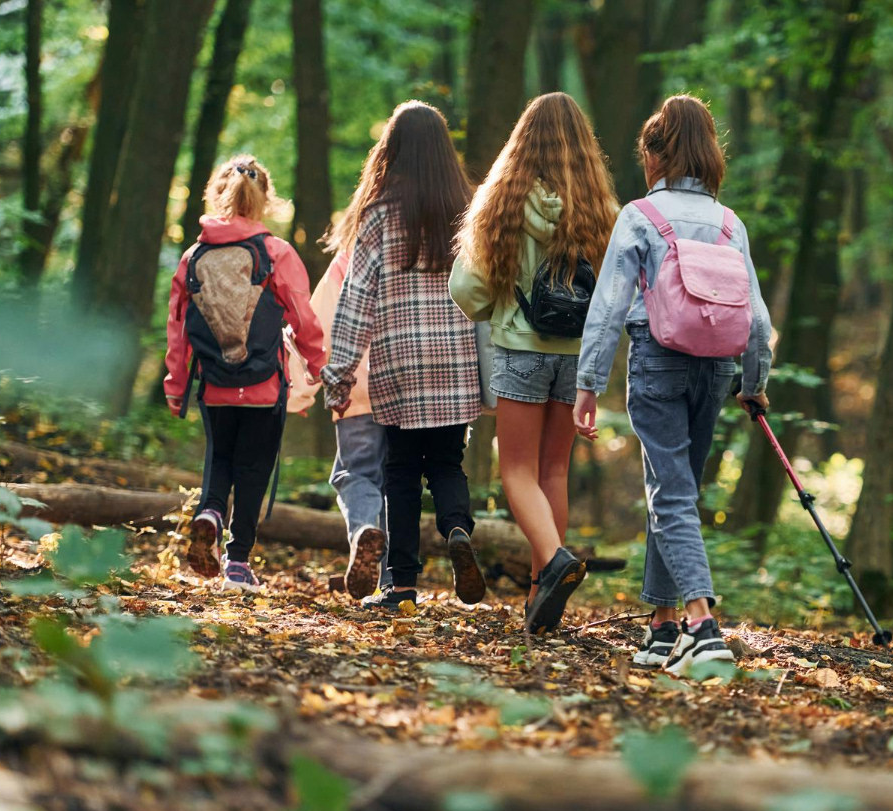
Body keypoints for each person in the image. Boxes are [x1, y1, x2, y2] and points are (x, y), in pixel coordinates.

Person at [574, 94, 772, 674]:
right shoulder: (730, 223)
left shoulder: (639, 217)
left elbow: (608, 308)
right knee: (678, 489)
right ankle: (662, 630)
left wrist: (588, 383)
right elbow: (757, 320)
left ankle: (701, 624)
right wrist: (753, 383)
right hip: (715, 372)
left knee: (671, 493)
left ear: (653, 154)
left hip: (659, 362)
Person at [449, 92, 619, 634]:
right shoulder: (601, 212)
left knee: (515, 471)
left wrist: (503, 298)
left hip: (522, 349)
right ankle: (541, 595)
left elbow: (468, 292)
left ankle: (555, 559)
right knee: (554, 471)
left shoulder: (502, 204)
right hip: (577, 357)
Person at [319, 101, 484, 612]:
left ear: (390, 152)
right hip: (455, 364)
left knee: (401, 475)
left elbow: (355, 301)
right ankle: (457, 530)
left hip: (399, 368)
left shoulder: (378, 216)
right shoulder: (469, 210)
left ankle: (402, 587)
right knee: (448, 465)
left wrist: (339, 373)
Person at [165, 155, 327, 592]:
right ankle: (237, 563)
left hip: (215, 385)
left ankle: (210, 513)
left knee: (220, 458)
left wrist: (176, 387)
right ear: (265, 201)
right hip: (264, 386)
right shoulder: (275, 253)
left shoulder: (193, 257)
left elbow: (178, 329)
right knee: (253, 468)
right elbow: (304, 318)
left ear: (214, 195)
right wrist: (318, 366)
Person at [287, 248, 391, 600]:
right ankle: (393, 577)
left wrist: (304, 389)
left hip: (356, 389)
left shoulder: (349, 259)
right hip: (410, 390)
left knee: (357, 474)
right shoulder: (427, 248)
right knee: (397, 481)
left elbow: (316, 325)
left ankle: (363, 529)